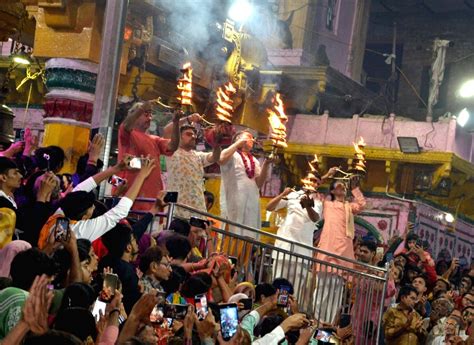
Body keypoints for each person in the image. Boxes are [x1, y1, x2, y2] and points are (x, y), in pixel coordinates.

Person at [37, 157, 156, 248]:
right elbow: (119, 212)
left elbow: (80, 190)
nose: (94, 207)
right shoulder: (79, 231)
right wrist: (141, 176)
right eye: (91, 207)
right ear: (84, 217)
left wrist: (117, 168)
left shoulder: (61, 217)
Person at [313, 177, 366, 324]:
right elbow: (313, 189)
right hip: (328, 250)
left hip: (344, 252)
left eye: (344, 186)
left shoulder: (349, 206)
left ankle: (327, 324)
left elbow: (362, 204)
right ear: (332, 190)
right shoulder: (327, 204)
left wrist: (355, 188)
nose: (342, 187)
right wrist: (327, 176)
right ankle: (316, 321)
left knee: (336, 294)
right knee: (322, 290)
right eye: (338, 185)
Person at [117, 101, 181, 210]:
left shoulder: (154, 139)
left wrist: (176, 122)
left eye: (151, 114)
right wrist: (141, 108)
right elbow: (126, 125)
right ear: (135, 115)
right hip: (130, 197)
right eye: (146, 114)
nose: (150, 118)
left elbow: (172, 146)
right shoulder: (127, 134)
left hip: (152, 200)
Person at [218, 130, 272, 236]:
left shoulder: (254, 161)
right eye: (248, 137)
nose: (252, 139)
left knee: (249, 234)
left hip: (251, 202)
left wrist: (266, 163)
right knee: (233, 232)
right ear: (238, 139)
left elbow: (259, 183)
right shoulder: (232, 155)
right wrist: (238, 143)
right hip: (235, 201)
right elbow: (221, 159)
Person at [165, 122, 221, 219]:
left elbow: (215, 157)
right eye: (188, 134)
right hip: (176, 203)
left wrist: (217, 144)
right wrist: (184, 119)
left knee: (197, 233)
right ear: (178, 136)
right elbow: (167, 130)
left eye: (194, 134)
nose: (193, 136)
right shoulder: (171, 151)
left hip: (197, 205)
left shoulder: (198, 155)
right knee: (172, 232)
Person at [99, 223, 140, 314]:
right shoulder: (128, 273)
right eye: (134, 240)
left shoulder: (102, 263)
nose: (137, 244)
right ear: (128, 247)